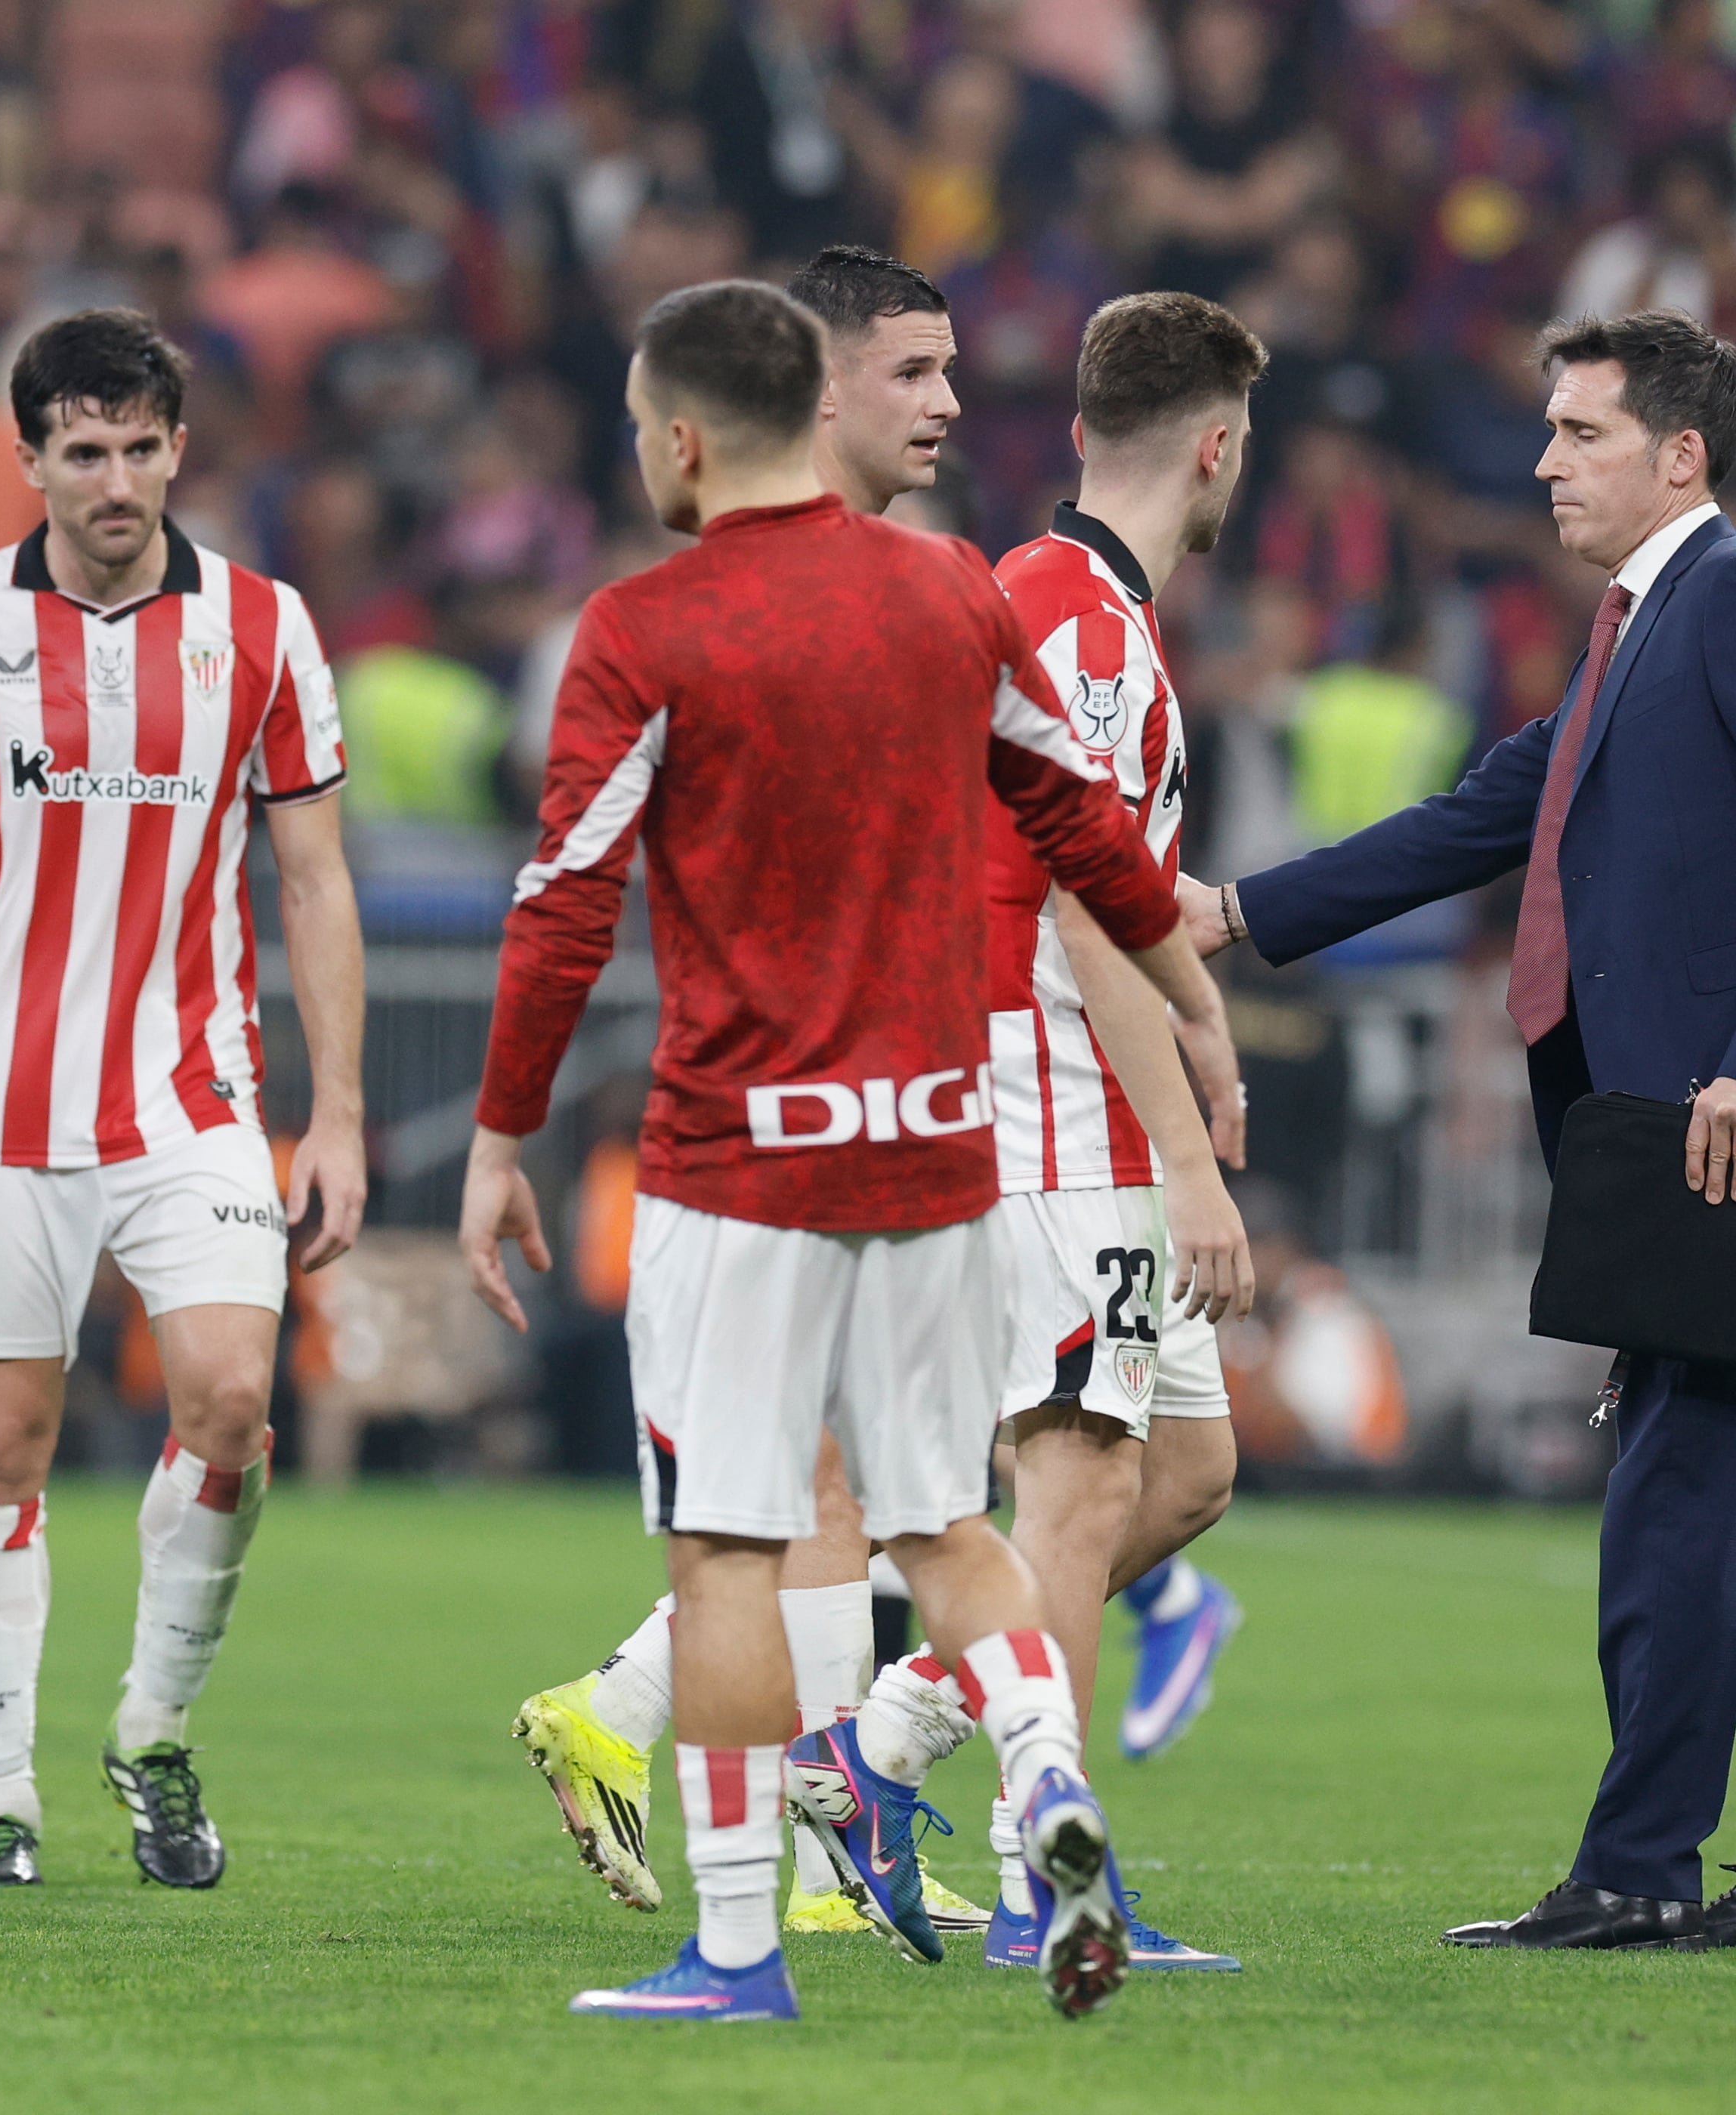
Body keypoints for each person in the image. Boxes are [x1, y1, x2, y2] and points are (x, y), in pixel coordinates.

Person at [459, 278, 1240, 2023]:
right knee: (954, 1530)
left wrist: (502, 1131)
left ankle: (737, 1950)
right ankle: (1048, 1788)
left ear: (675, 436)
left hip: (741, 1156)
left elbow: (562, 902)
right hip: (942, 1148)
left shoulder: (643, 628)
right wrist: (1195, 1000)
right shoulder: (952, 595)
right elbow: (1088, 837)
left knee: (733, 1546)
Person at [0, 308, 369, 1891]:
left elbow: (312, 878)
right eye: (82, 450)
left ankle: (152, 1729)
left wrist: (347, 1114)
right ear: (29, 457)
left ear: (179, 446)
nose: (115, 478)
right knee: (2, 1435)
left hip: (194, 1089)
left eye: (139, 446)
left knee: (234, 1400)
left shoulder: (262, 628)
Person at [1181, 308, 1736, 1954]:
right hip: (1656, 1125)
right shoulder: (1641, 622)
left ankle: (1638, 1864)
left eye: (1579, 433)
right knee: (1680, 1480)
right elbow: (1494, 808)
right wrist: (1232, 910)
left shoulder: (1717, 597)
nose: (1544, 463)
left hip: (1703, 1123)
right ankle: (1644, 1857)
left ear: (1680, 453)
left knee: (1671, 1490)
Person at [512, 246, 993, 1940]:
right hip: (844, 1117)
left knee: (856, 1496)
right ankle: (802, 1863)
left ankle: (647, 1734)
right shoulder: (867, 598)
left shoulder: (931, 585)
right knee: (881, 1499)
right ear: (813, 386)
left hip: (910, 1101)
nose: (946, 405)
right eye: (915, 373)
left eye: (951, 374)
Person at [805, 291, 1268, 1981]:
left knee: (1184, 1473)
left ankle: (869, 1753)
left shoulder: (1074, 603)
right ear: (1218, 445)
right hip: (1051, 1104)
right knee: (1073, 1487)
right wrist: (1184, 1150)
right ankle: (1036, 1886)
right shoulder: (1076, 624)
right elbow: (1083, 902)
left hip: (1082, 1089)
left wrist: (1201, 1034)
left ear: (1085, 428)